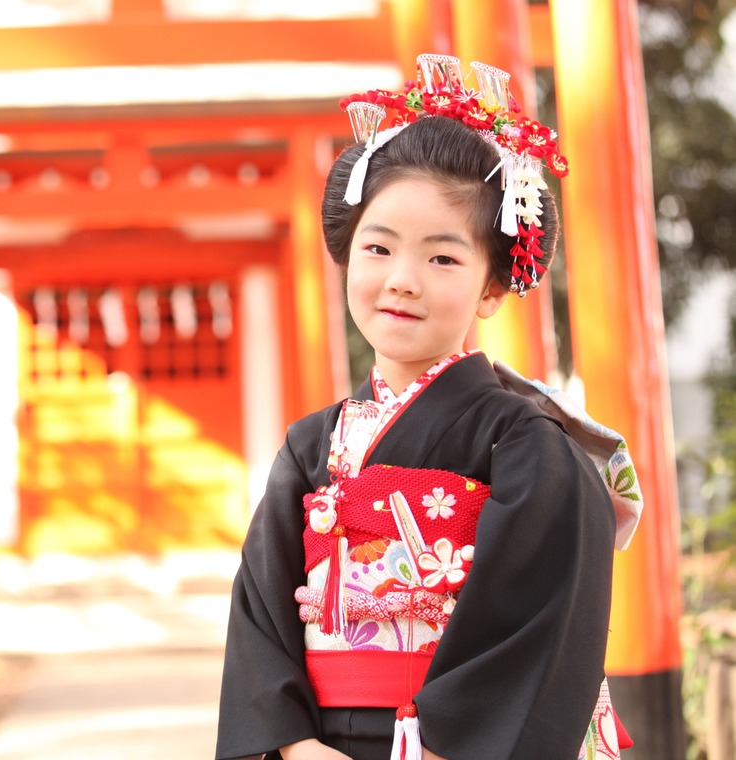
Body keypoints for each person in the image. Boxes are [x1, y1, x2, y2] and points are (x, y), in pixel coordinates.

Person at [215, 55, 638, 760]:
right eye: (378, 248)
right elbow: (259, 614)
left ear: (492, 289)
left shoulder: (530, 445)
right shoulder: (310, 446)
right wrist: (290, 744)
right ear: (348, 256)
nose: (401, 281)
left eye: (443, 259)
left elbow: (536, 625)